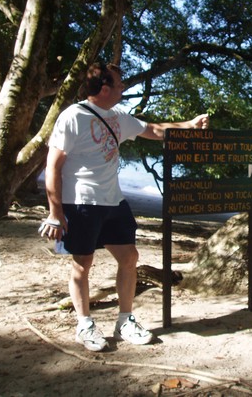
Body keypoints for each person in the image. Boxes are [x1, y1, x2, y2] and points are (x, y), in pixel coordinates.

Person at [40, 62, 209, 351]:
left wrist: (189, 125)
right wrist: (55, 212)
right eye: (119, 84)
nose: (123, 88)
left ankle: (125, 321)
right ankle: (85, 324)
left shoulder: (118, 116)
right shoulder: (73, 116)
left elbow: (154, 130)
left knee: (129, 257)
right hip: (80, 202)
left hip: (114, 201)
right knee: (82, 263)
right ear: (104, 88)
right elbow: (53, 166)